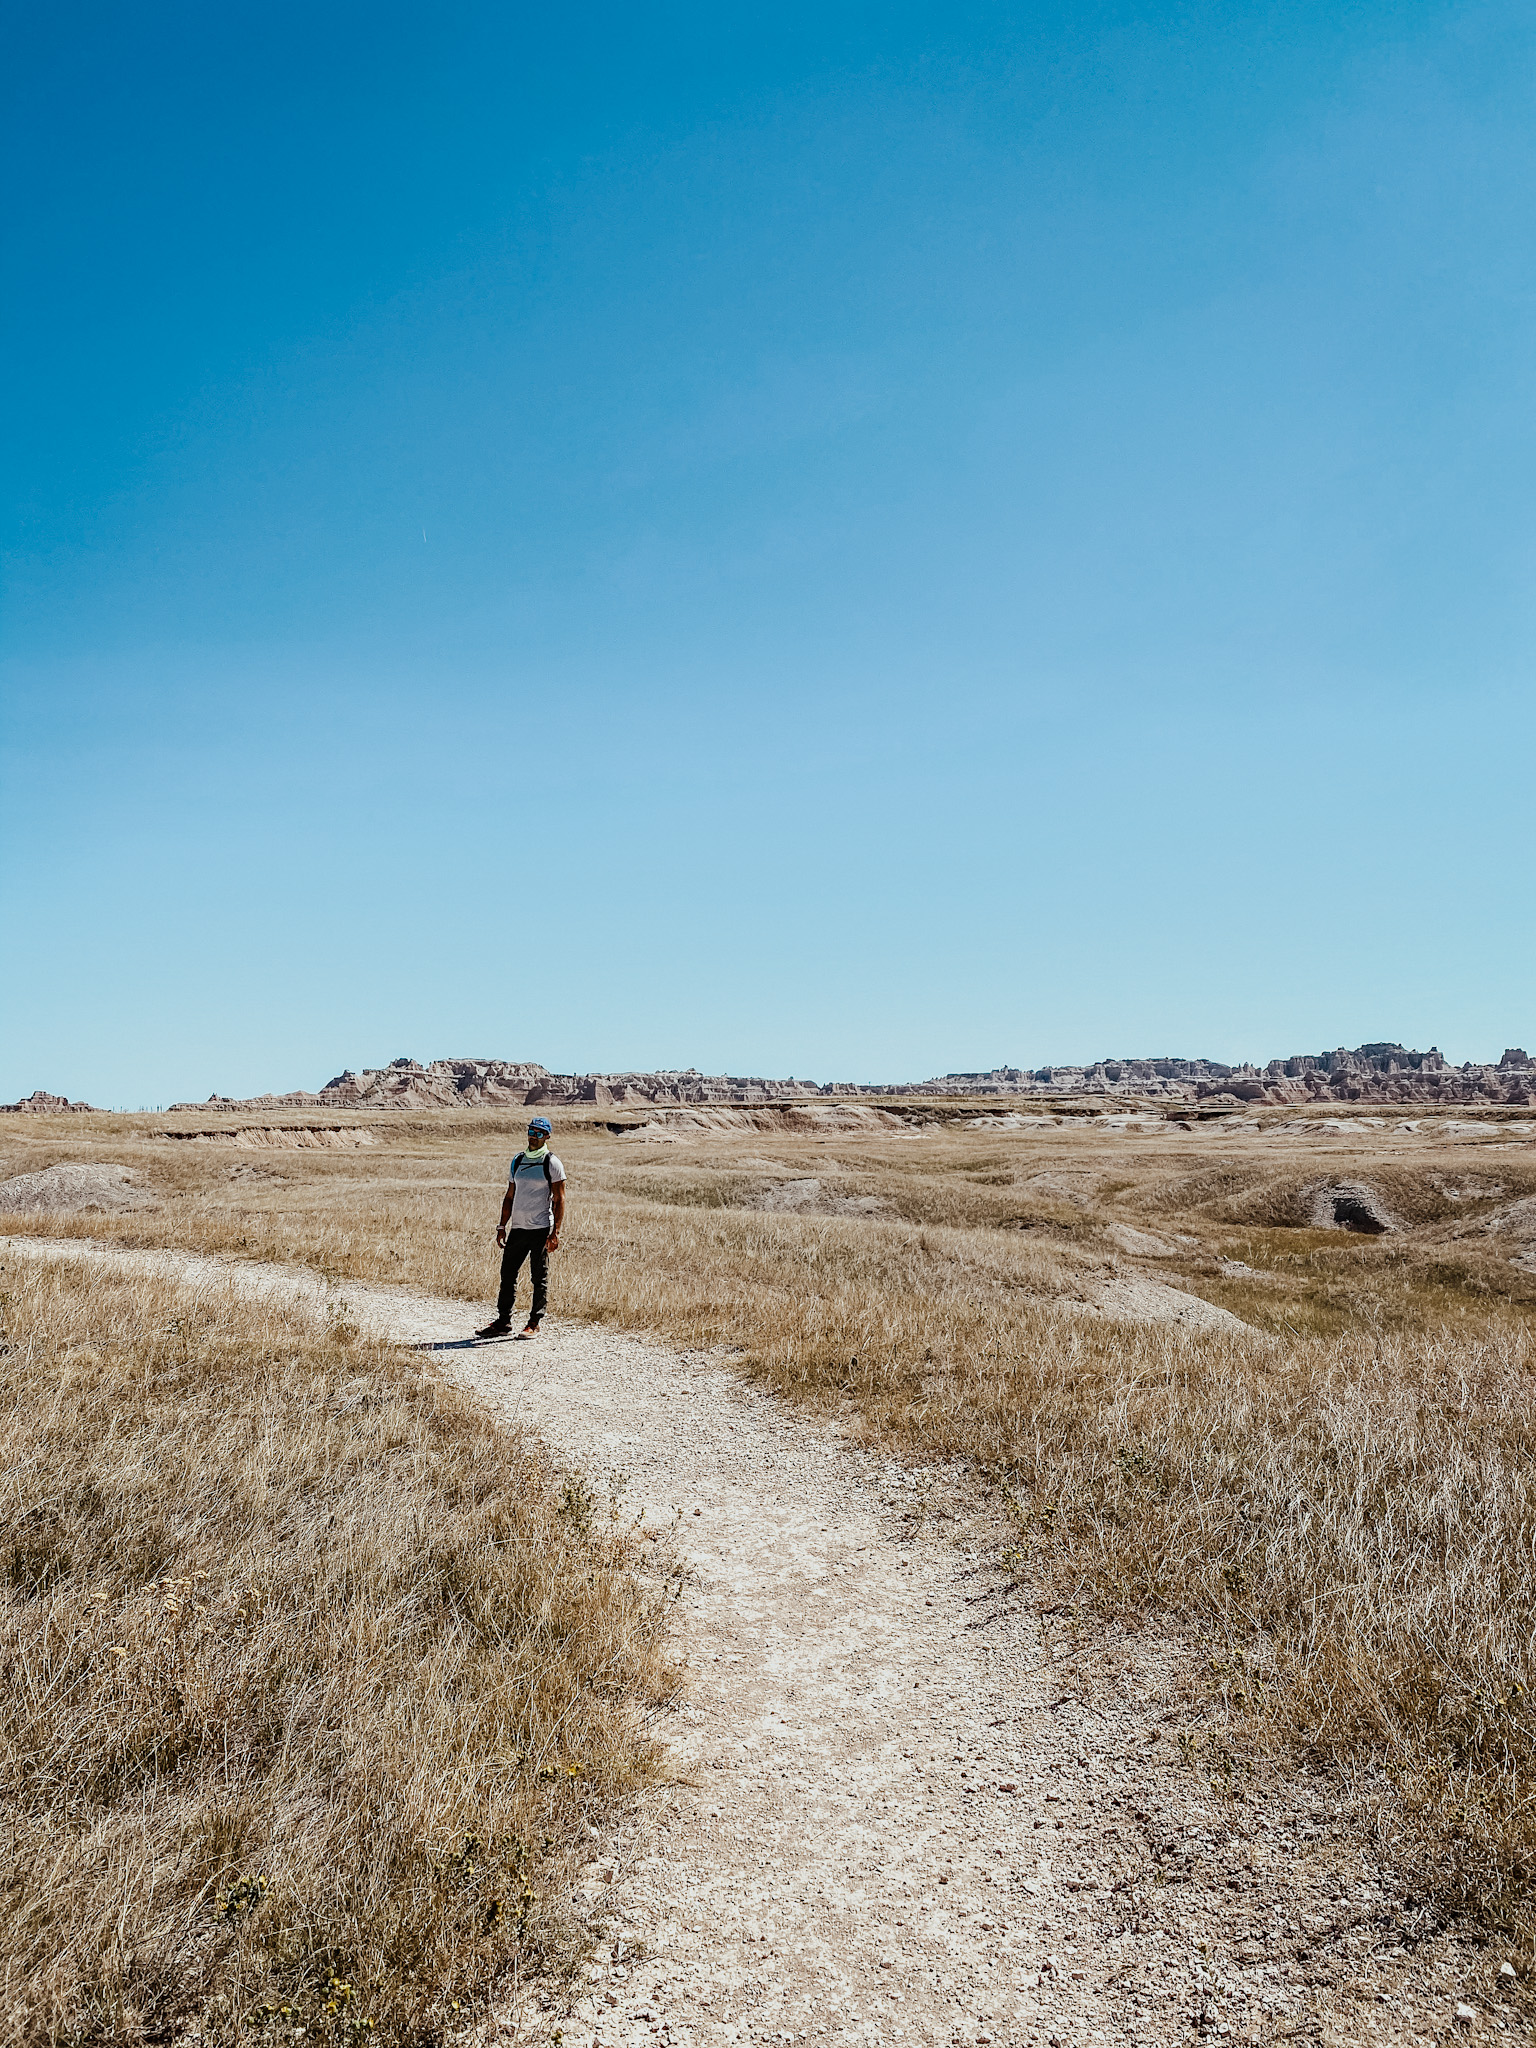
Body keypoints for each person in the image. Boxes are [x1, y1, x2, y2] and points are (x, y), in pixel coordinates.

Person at [475, 1116, 566, 1339]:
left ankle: (534, 1322)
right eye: (531, 1132)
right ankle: (503, 1322)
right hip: (518, 1228)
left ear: (547, 1137)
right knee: (507, 1274)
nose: (533, 1137)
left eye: (538, 1133)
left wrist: (555, 1233)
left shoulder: (551, 1163)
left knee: (539, 1277)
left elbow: (559, 1199)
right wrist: (501, 1226)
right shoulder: (518, 1161)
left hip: (541, 1228)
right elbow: (509, 1196)